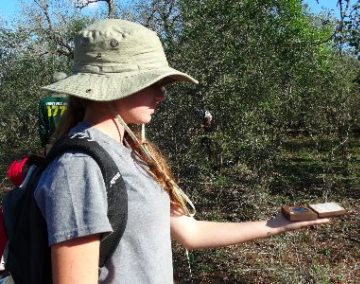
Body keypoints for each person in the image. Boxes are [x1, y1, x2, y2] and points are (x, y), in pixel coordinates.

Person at [36, 19, 329, 283]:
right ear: (114, 84)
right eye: (152, 82)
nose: (161, 94)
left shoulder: (133, 151)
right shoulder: (78, 167)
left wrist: (275, 225)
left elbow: (190, 233)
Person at [38, 72, 69, 154]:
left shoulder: (44, 102)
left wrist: (44, 144)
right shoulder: (72, 102)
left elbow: (42, 128)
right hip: (69, 142)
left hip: (52, 144)